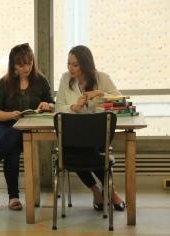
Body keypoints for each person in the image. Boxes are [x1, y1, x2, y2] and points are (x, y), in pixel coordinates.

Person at [0, 43, 55, 211]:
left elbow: (53, 104)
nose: (27, 67)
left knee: (13, 145)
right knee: (12, 139)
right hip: (0, 126)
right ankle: (12, 196)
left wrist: (47, 105)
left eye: (29, 62)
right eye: (21, 64)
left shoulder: (41, 81)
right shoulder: (3, 84)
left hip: (25, 128)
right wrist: (12, 115)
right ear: (14, 66)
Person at [55, 45, 126, 211]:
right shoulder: (65, 79)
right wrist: (73, 108)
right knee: (72, 152)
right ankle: (98, 191)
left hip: (97, 136)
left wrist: (100, 94)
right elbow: (58, 107)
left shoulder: (101, 78)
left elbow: (121, 102)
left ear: (86, 64)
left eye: (75, 65)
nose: (70, 68)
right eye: (69, 64)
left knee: (90, 152)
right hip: (73, 136)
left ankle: (109, 192)